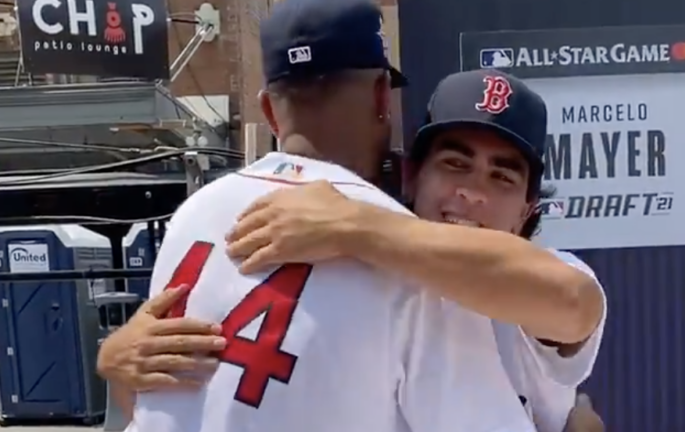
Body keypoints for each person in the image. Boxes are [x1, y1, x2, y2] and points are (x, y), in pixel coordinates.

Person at [100, 0, 536, 431]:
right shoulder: (407, 257)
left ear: (269, 110)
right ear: (382, 96)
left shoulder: (194, 214)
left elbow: (145, 404)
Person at [224, 69, 607, 432]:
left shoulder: (548, 271)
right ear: (413, 176)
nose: (472, 192)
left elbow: (574, 303)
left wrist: (357, 224)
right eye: (455, 164)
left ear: (526, 210)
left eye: (502, 177)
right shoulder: (353, 264)